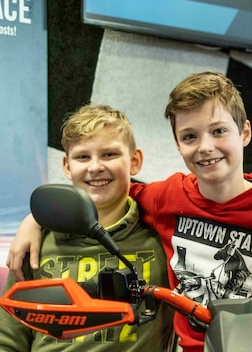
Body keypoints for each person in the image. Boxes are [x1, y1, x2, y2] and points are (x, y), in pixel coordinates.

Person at [6, 72, 252, 352]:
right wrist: (37, 217)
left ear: (244, 132)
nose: (206, 147)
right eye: (191, 136)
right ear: (178, 144)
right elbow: (107, 191)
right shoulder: (167, 197)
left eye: (218, 131)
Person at [0, 104, 175, 351]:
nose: (95, 167)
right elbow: (8, 337)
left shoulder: (161, 238)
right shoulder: (37, 242)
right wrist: (35, 219)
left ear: (135, 161)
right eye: (83, 157)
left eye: (109, 155)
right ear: (67, 166)